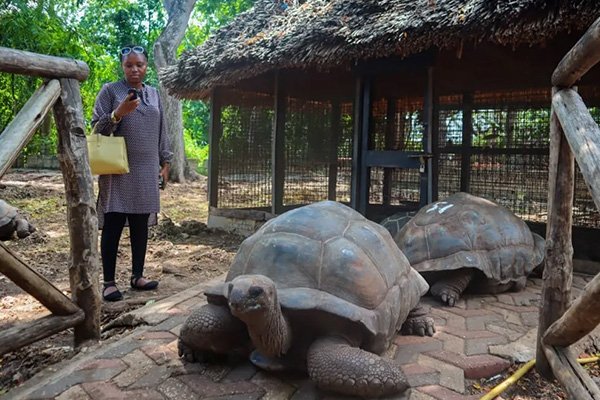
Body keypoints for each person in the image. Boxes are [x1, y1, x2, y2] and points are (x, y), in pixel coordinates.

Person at [91, 44, 173, 301]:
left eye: (140, 65)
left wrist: (165, 161)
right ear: (122, 67)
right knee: (114, 223)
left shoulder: (154, 93)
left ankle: (137, 275)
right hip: (118, 169)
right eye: (129, 65)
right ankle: (108, 282)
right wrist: (118, 113)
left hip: (147, 167)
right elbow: (96, 129)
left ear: (146, 67)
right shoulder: (110, 91)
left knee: (140, 224)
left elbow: (162, 129)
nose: (135, 69)